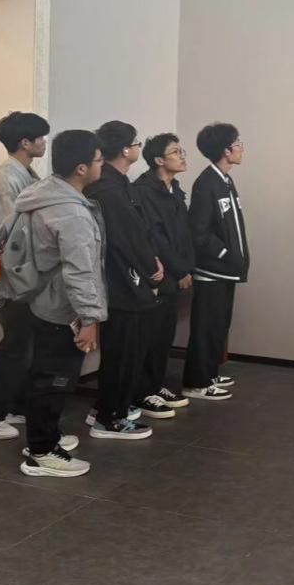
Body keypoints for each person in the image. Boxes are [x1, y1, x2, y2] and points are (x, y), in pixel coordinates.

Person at [11, 129, 108, 477]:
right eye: (98, 160)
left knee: (44, 376)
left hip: (42, 301)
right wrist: (90, 318)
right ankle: (41, 452)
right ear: (81, 168)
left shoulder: (44, 194)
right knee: (53, 381)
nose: (102, 166)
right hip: (61, 309)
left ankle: (43, 439)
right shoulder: (71, 213)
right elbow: (79, 270)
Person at [0, 111, 49, 440]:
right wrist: (26, 277)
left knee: (25, 347)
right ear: (25, 142)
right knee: (14, 347)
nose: (44, 142)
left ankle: (14, 407)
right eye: (40, 137)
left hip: (27, 275)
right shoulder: (7, 178)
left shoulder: (26, 173)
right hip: (14, 277)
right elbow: (10, 236)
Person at [85, 120, 163, 439]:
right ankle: (110, 417)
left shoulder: (117, 182)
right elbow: (126, 237)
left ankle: (110, 407)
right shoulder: (107, 186)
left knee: (127, 349)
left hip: (128, 278)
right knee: (121, 350)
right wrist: (150, 268)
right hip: (121, 281)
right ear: (125, 149)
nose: (138, 148)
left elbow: (138, 230)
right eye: (136, 143)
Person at [182, 123, 249, 402]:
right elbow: (198, 231)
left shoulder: (224, 180)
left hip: (226, 272)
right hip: (212, 271)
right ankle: (196, 382)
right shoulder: (206, 183)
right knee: (205, 327)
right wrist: (225, 254)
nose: (241, 148)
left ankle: (209, 373)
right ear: (225, 150)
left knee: (219, 325)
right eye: (237, 143)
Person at [134, 133, 195, 413]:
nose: (182, 156)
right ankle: (143, 392)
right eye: (175, 152)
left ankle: (156, 384)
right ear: (159, 160)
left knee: (164, 335)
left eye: (181, 151)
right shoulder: (144, 190)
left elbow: (183, 233)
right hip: (158, 275)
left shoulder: (175, 189)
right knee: (150, 336)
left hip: (176, 273)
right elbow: (155, 237)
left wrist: (187, 266)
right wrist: (180, 269)